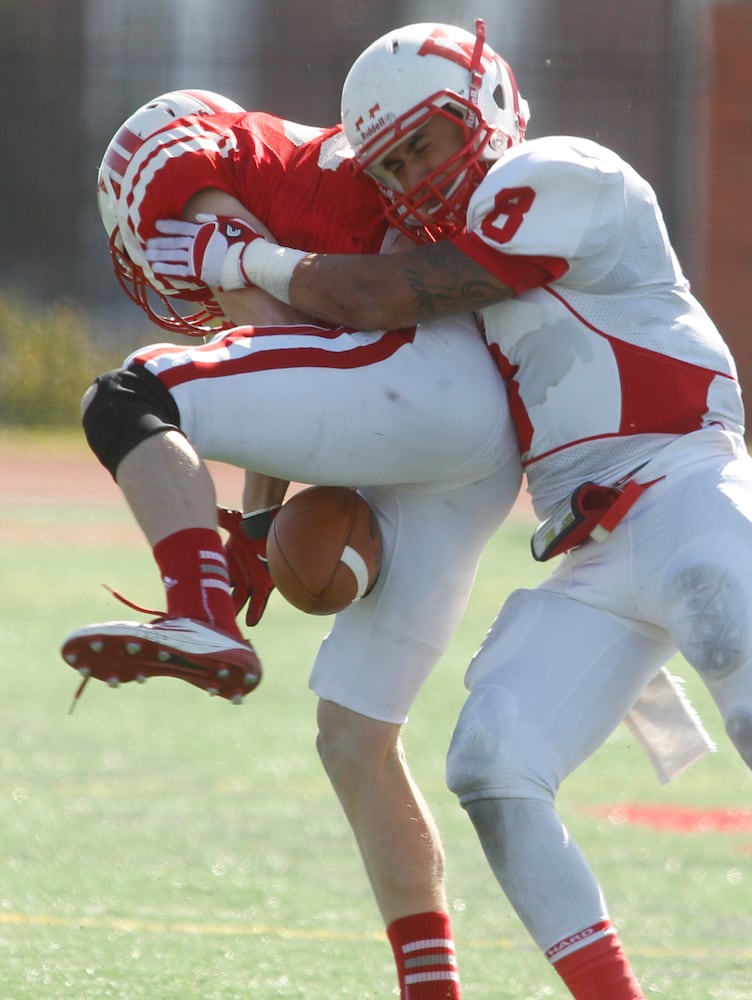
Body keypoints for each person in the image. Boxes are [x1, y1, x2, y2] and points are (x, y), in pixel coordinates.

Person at [145, 21, 752, 998]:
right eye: (386, 167)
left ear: (483, 105)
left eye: (421, 144)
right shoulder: (464, 261)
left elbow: (384, 293)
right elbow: (374, 383)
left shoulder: (560, 174)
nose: (409, 180)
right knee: (490, 766)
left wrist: (239, 259)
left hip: (685, 489)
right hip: (592, 553)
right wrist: (270, 521)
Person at [63, 89, 523, 1000]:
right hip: (482, 436)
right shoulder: (285, 161)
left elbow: (263, 343)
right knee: (354, 739)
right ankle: (432, 989)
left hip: (422, 384)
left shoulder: (175, 168)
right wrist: (265, 527)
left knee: (128, 398)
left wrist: (236, 556)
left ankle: (197, 611)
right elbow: (284, 382)